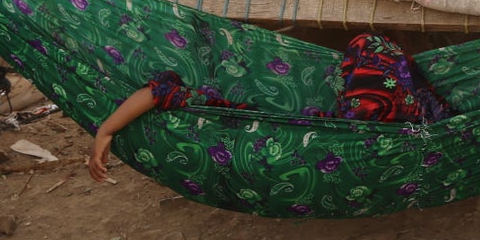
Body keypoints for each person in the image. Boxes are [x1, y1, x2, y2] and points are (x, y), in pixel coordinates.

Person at [87, 32, 450, 183]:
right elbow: (155, 94)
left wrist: (106, 130)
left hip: (350, 117)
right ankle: (419, 115)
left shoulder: (210, 100)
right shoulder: (204, 107)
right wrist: (106, 130)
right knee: (370, 50)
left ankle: (417, 114)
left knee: (368, 45)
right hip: (341, 128)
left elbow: (157, 93)